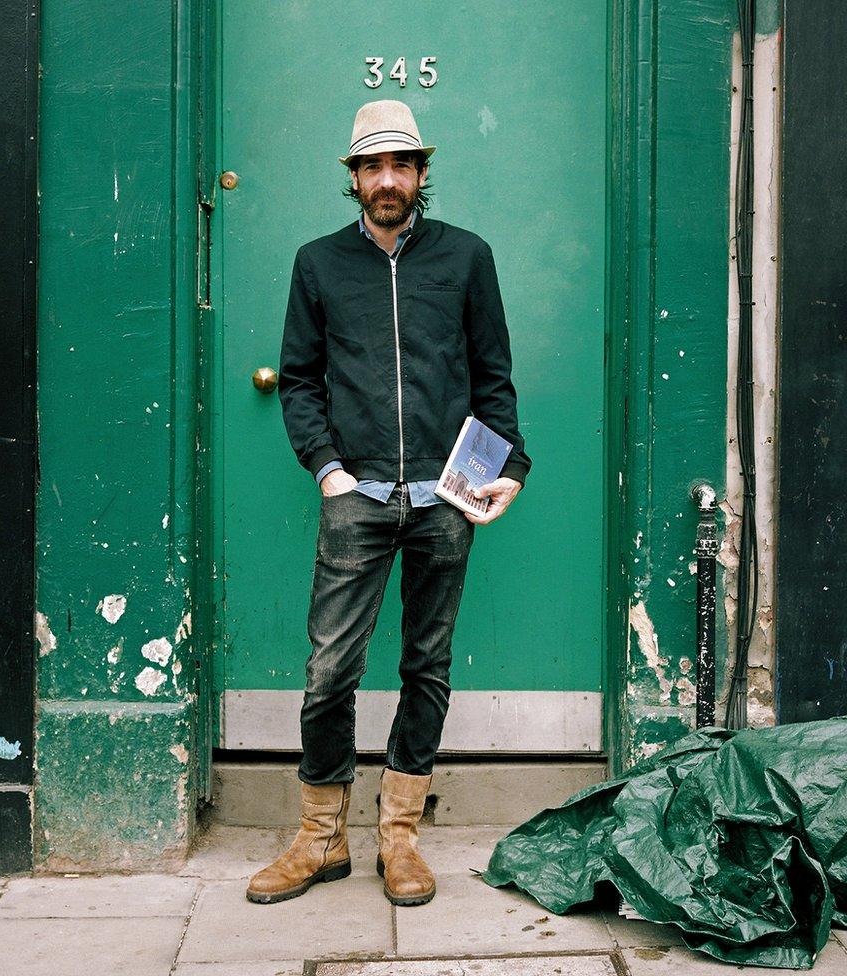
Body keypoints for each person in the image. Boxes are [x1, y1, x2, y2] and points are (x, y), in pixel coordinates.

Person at [246, 99, 531, 907]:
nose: (387, 179)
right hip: (356, 497)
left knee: (426, 668)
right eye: (372, 166)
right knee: (329, 671)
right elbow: (298, 380)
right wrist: (328, 470)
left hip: (446, 498)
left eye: (401, 164)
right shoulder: (318, 264)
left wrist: (509, 466)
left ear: (421, 173)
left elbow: (493, 378)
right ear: (353, 178)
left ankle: (399, 837)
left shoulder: (467, 258)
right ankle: (321, 837)